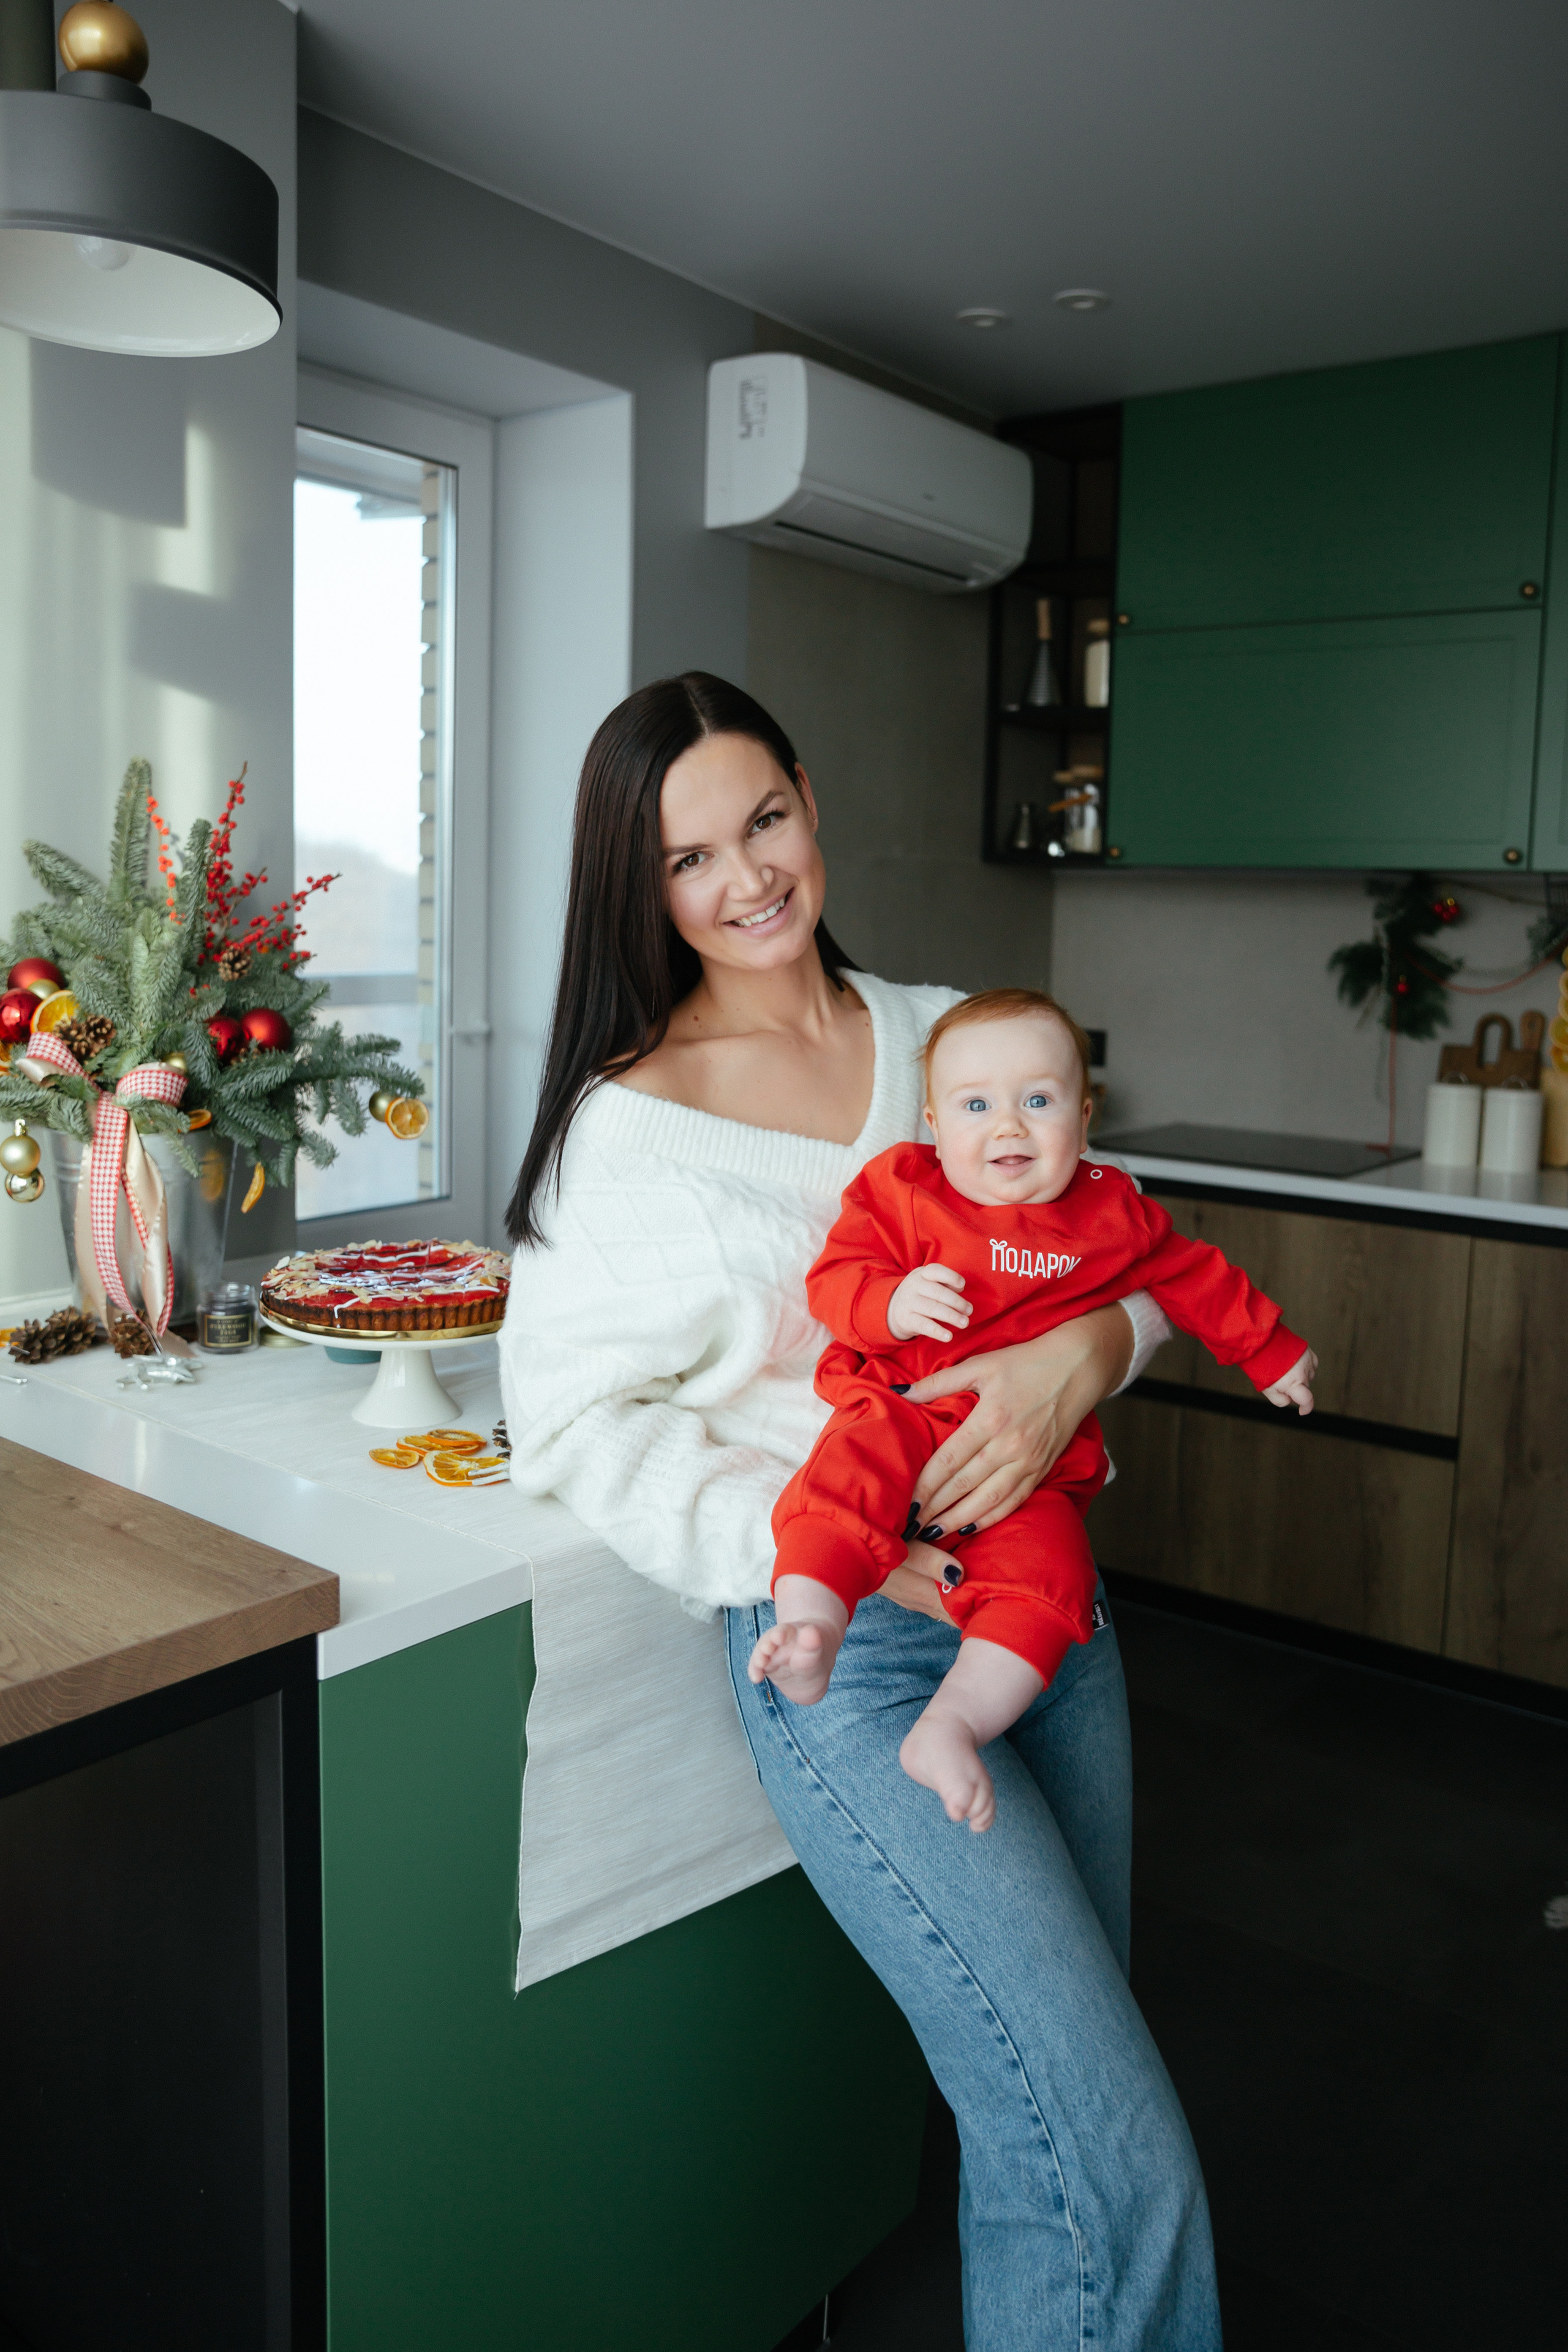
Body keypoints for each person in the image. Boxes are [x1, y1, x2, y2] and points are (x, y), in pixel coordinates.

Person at [500, 672, 1223, 2351]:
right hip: (869, 1663)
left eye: (762, 819)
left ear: (810, 802)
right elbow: (574, 1429)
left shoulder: (946, 1037)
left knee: (1039, 2119)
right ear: (644, 889)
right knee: (1117, 2155)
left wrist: (1084, 1358)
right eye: (691, 858)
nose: (745, 878)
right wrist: (810, 1545)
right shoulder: (631, 1130)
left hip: (1052, 1627)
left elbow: (1145, 1263)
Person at [753, 984, 1316, 1831]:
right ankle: (811, 1626)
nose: (1008, 1126)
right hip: (903, 1408)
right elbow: (834, 1280)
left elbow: (1192, 1276)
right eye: (977, 1105)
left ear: (1083, 1119)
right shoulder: (904, 1190)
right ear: (935, 1124)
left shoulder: (1108, 1209)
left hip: (1032, 1468)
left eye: (1038, 1102)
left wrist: (1268, 1350)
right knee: (842, 1483)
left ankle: (951, 1726)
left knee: (1054, 1577)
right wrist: (891, 1303)